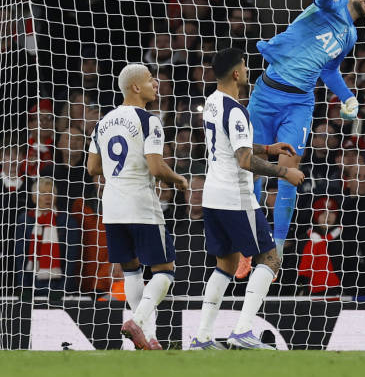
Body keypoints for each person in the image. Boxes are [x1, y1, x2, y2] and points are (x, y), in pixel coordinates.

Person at [248, 0, 365, 259]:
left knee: (289, 174)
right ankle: (251, 237)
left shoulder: (351, 35)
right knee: (252, 168)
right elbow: (324, 1)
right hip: (267, 95)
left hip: (299, 104)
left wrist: (348, 96)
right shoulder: (332, 4)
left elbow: (329, 70)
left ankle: (277, 247)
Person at [192, 48, 305, 350]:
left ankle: (202, 337)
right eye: (243, 65)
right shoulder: (236, 110)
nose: (246, 69)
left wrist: (267, 149)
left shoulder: (213, 102)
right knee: (270, 259)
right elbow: (243, 160)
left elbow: (232, 145)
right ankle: (242, 331)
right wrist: (285, 172)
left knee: (226, 265)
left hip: (213, 197)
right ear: (236, 73)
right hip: (236, 198)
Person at [86, 64, 188, 350]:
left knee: (131, 271)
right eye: (150, 79)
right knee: (165, 270)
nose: (155, 84)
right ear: (135, 87)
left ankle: (148, 338)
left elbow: (92, 167)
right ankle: (138, 320)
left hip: (112, 207)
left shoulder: (103, 122)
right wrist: (178, 179)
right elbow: (156, 167)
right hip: (141, 204)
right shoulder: (149, 120)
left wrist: (118, 170)